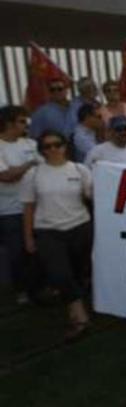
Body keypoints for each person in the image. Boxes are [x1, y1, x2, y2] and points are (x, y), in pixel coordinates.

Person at [21, 130, 93, 340]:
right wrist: (28, 237)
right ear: (41, 150)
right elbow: (28, 208)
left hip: (80, 227)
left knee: (78, 273)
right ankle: (81, 319)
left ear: (65, 146)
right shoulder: (33, 175)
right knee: (60, 274)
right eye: (47, 146)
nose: (53, 149)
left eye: (57, 144)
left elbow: (92, 194)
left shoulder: (80, 170)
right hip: (48, 231)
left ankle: (73, 308)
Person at [0, 106, 41, 304]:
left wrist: (21, 169)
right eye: (23, 121)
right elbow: (6, 176)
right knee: (17, 252)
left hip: (38, 206)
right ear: (9, 123)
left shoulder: (32, 143)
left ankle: (41, 286)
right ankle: (21, 290)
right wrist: (29, 165)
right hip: (10, 209)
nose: (27, 125)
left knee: (39, 248)